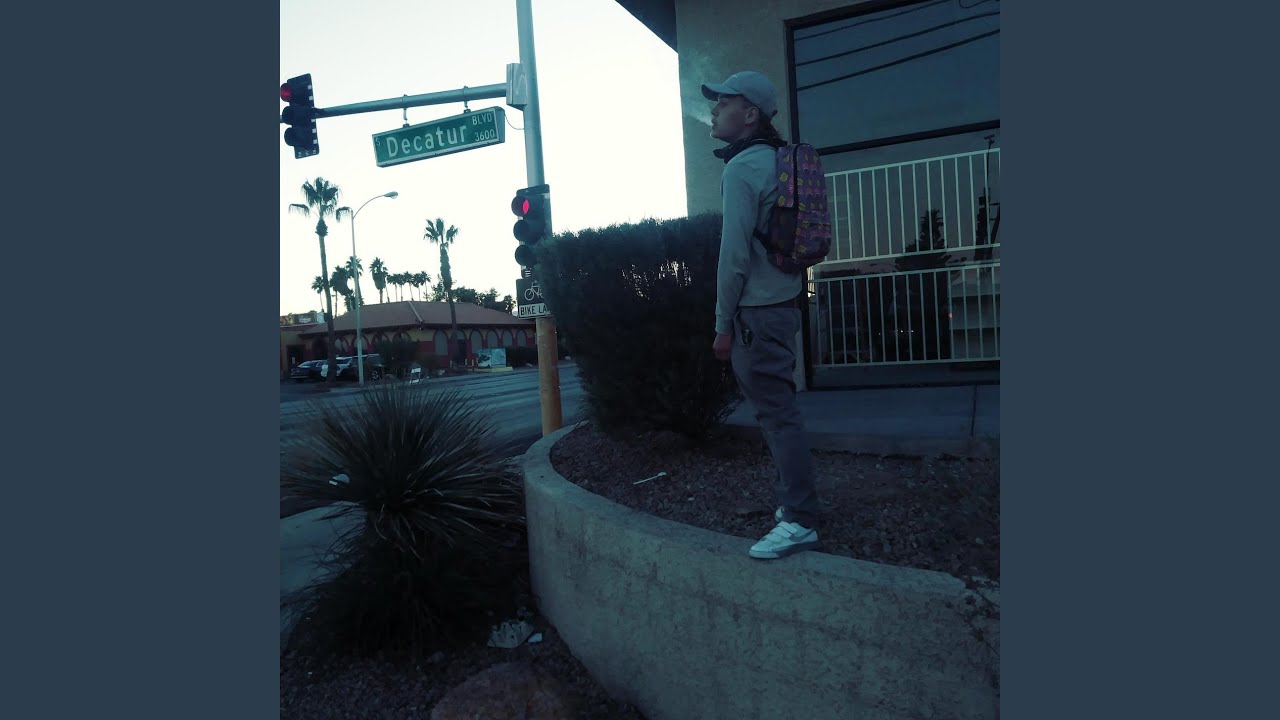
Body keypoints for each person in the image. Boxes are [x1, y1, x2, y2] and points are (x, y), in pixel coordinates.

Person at [703, 70, 821, 560]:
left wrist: (721, 325)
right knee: (781, 411)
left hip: (756, 313)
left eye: (723, 102)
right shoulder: (779, 161)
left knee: (777, 416)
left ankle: (800, 520)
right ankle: (796, 504)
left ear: (750, 114)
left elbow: (733, 257)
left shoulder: (742, 169)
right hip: (783, 305)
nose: (714, 110)